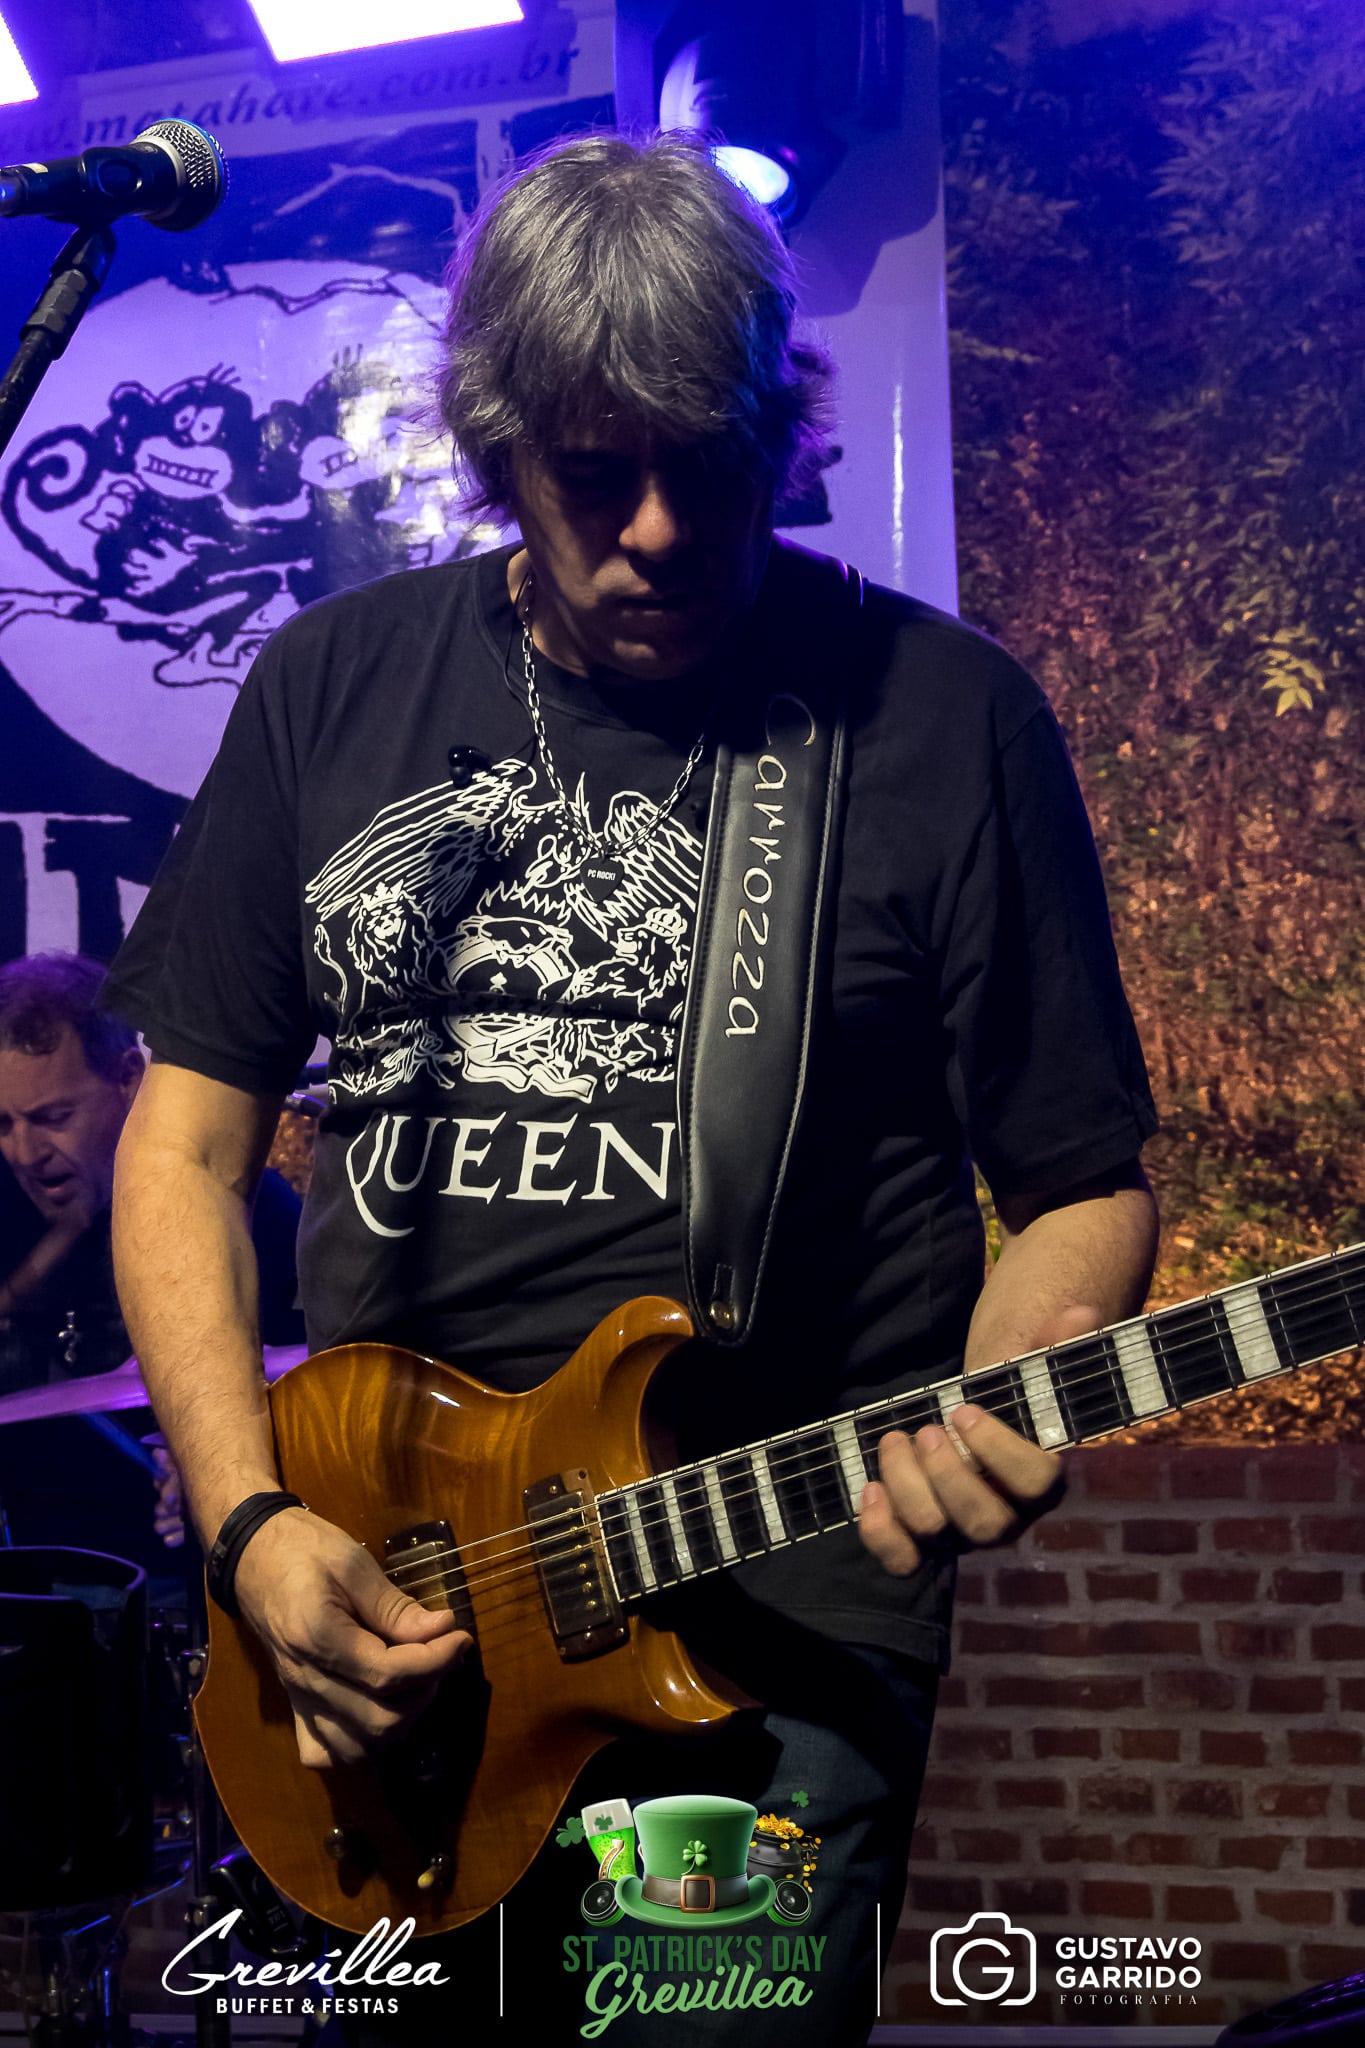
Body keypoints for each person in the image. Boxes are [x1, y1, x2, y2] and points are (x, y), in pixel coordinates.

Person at [107, 135, 1159, 2042]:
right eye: (599, 475)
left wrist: (1007, 1384)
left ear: (783, 429)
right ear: (498, 449)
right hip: (381, 1628)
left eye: (714, 462)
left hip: (765, 1628)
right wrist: (250, 1520)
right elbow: (183, 1142)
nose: (661, 530)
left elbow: (1080, 1177)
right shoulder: (331, 687)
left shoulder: (941, 717)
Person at [0, 951, 303, 1567]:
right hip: (31, 1567)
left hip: (169, 1571)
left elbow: (310, 1379)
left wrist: (215, 1466)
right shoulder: (10, 1216)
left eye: (52, 1118)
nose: (25, 1152)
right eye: (3, 1124)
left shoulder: (245, 1207)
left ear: (128, 1079)